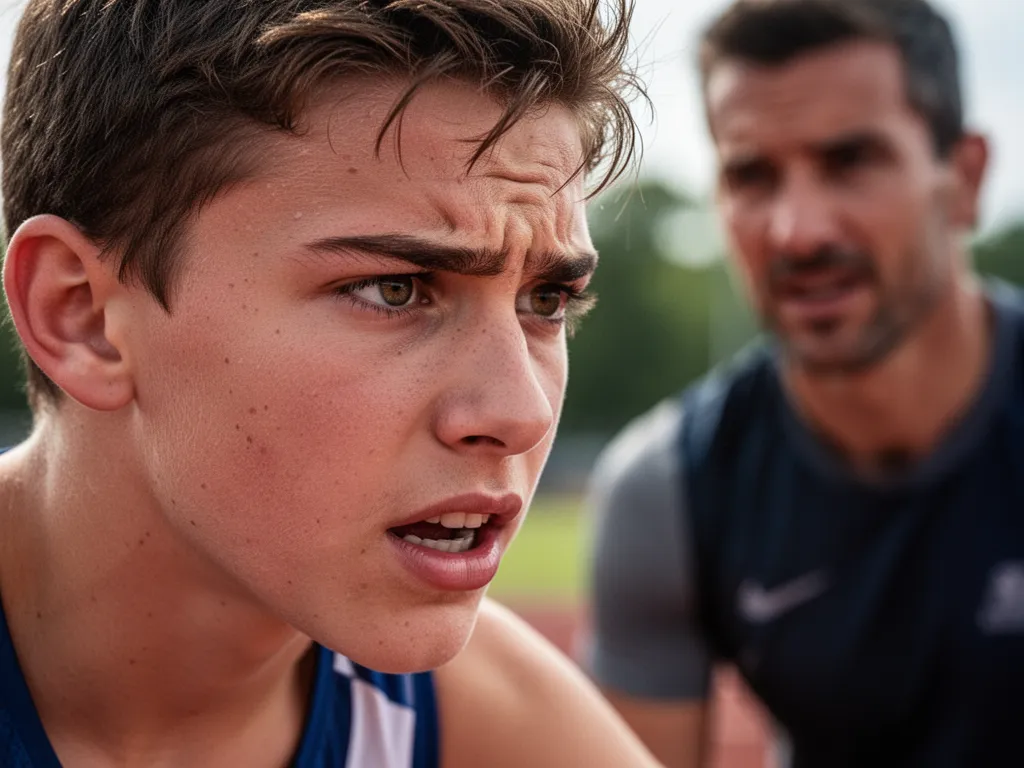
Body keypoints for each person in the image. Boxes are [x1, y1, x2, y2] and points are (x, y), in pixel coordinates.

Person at [0, 1, 662, 766]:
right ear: (79, 315)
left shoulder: (499, 727)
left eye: (544, 302)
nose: (520, 411)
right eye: (394, 289)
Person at [583, 0, 1024, 765]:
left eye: (850, 162)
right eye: (752, 176)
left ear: (965, 177)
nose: (799, 230)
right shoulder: (671, 491)